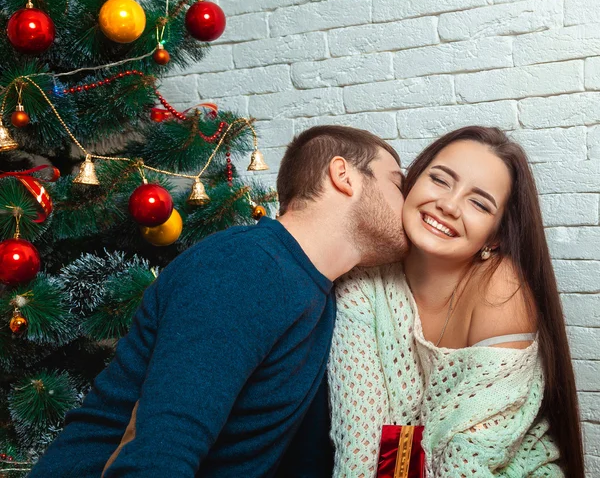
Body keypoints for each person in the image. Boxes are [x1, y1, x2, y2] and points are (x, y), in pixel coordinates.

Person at [28, 125, 408, 478]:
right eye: (397, 184)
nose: (407, 203)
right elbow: (161, 451)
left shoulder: (319, 293)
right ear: (344, 176)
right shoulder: (246, 266)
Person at [329, 126, 584, 477]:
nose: (448, 205)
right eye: (440, 180)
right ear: (413, 181)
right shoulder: (364, 278)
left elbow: (467, 462)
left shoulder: (500, 290)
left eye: (478, 203)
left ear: (494, 236)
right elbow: (359, 438)